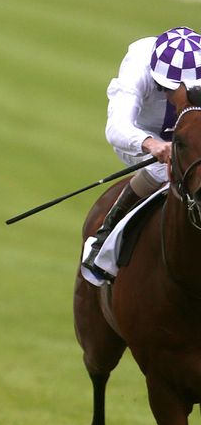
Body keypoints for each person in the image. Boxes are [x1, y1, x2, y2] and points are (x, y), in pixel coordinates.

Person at [83, 26, 201, 277]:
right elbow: (117, 127)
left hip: (192, 135)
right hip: (141, 137)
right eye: (169, 89)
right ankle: (105, 236)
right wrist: (153, 144)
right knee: (165, 167)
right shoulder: (138, 64)